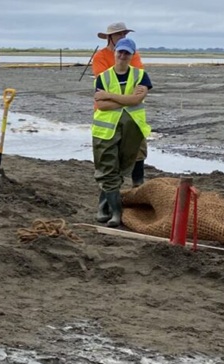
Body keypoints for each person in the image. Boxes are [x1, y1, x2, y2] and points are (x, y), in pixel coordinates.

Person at [92, 38, 151, 228]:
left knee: (121, 169)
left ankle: (103, 206)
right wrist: (128, 99)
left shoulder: (141, 76)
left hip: (132, 130)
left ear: (132, 55)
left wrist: (110, 96)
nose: (122, 56)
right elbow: (101, 105)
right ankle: (115, 212)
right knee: (108, 169)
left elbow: (137, 101)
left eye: (127, 53)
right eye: (120, 52)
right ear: (115, 52)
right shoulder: (104, 77)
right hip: (106, 129)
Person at [93, 22, 148, 187]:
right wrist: (128, 99)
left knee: (138, 150)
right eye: (119, 34)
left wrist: (112, 97)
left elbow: (138, 86)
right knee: (109, 153)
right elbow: (102, 88)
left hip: (132, 115)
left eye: (124, 35)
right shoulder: (100, 57)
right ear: (109, 37)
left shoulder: (134, 55)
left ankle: (138, 186)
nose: (122, 37)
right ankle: (112, 193)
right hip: (108, 116)